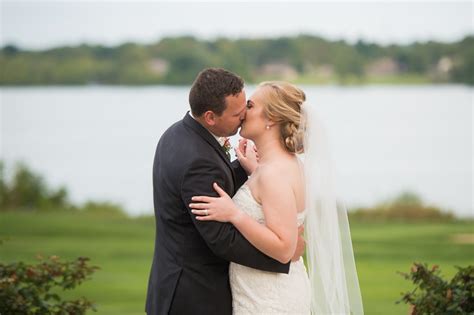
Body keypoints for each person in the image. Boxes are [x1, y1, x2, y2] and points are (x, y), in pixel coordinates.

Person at [190, 81, 365, 314]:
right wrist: (254, 171)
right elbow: (271, 203)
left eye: (250, 106)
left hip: (268, 300)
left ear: (270, 119)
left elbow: (284, 248)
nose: (243, 112)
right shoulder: (281, 167)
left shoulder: (273, 174)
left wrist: (234, 214)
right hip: (266, 290)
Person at [145, 69, 305, 315]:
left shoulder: (177, 134)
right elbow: (221, 239)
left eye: (248, 107)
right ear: (210, 117)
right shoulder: (198, 160)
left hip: (180, 285)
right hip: (195, 295)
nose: (243, 117)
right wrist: (283, 257)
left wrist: (246, 170)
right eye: (238, 112)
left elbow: (212, 182)